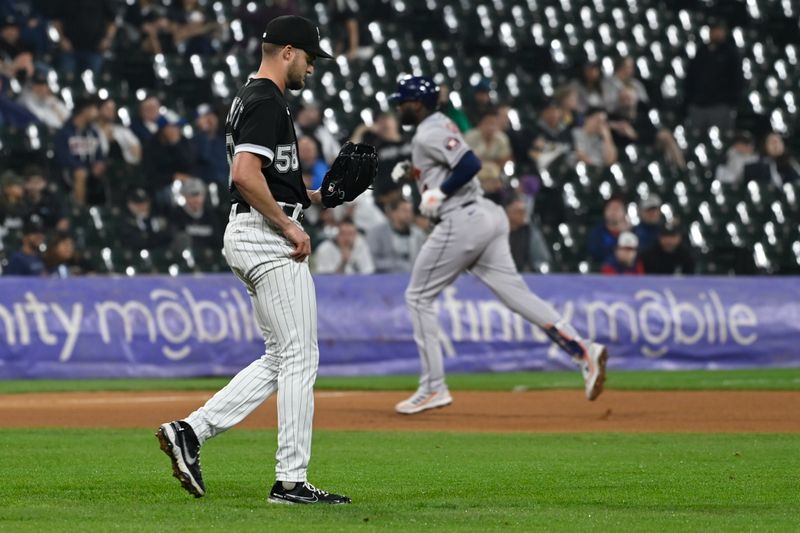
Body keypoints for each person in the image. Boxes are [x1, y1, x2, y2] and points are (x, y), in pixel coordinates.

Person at [155, 15, 351, 505]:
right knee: (302, 356)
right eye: (308, 57)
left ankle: (190, 432)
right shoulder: (267, 100)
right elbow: (244, 175)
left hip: (251, 229)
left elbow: (267, 180)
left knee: (280, 356)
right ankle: (290, 481)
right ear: (287, 51)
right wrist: (289, 225)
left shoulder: (250, 97)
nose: (311, 67)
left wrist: (316, 197)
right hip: (267, 235)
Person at [389, 75, 608, 415]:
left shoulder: (429, 130)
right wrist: (417, 174)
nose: (398, 107)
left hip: (462, 220)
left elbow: (470, 164)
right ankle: (582, 350)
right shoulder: (439, 124)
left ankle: (434, 388)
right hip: (486, 216)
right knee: (518, 296)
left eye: (402, 102)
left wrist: (439, 192)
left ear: (416, 104)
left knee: (417, 297)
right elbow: (449, 163)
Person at [685, 19, 742, 133]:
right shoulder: (701, 51)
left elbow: (737, 79)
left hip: (720, 105)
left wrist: (731, 102)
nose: (716, 33)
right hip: (698, 104)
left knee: (719, 137)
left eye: (719, 30)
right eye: (714, 30)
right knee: (696, 137)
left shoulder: (730, 53)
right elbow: (691, 76)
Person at [607, 88, 686, 169]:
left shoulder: (643, 112)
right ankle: (678, 168)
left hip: (648, 143)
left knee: (665, 136)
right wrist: (617, 126)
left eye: (629, 97)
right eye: (623, 99)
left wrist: (635, 134)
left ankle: (679, 168)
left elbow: (652, 133)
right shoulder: (616, 118)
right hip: (630, 150)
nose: (627, 101)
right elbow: (607, 123)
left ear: (635, 98)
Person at [53, 96, 106, 207]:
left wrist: (99, 163)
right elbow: (63, 158)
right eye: (94, 109)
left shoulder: (93, 132)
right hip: (69, 171)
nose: (97, 113)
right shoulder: (64, 133)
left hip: (90, 169)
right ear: (84, 110)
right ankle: (80, 209)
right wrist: (81, 167)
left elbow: (99, 154)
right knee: (80, 173)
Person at [52, 0, 117, 77]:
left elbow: (112, 21)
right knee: (67, 81)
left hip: (95, 49)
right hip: (69, 50)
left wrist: (107, 39)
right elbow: (56, 20)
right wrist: (62, 39)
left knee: (92, 84)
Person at [366, 199, 426, 273]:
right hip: (384, 278)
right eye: (404, 210)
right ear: (393, 213)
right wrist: (396, 265)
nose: (409, 214)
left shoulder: (418, 234)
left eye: (410, 210)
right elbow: (370, 260)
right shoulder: (376, 232)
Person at [171, 178, 222, 251]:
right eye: (191, 196)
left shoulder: (211, 215)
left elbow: (219, 241)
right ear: (185, 196)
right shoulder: (177, 215)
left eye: (198, 195)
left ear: (204, 195)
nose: (196, 199)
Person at [505, 196, 552, 272]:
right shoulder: (496, 232)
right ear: (508, 213)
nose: (523, 215)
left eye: (524, 212)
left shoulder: (531, 233)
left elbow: (542, 259)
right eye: (519, 212)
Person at [95, 97, 142, 165]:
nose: (111, 111)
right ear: (98, 110)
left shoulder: (122, 131)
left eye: (113, 109)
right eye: (107, 108)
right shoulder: (91, 131)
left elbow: (136, 150)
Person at [587, 195, 631, 264]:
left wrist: (626, 234)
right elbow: (596, 254)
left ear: (624, 213)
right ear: (605, 211)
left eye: (617, 209)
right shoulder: (597, 233)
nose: (613, 212)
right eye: (610, 208)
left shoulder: (632, 233)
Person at [191, 103, 227, 185]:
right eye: (205, 116)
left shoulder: (223, 139)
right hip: (205, 187)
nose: (211, 119)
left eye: (212, 115)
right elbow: (204, 158)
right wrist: (204, 132)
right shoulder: (193, 142)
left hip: (227, 186)